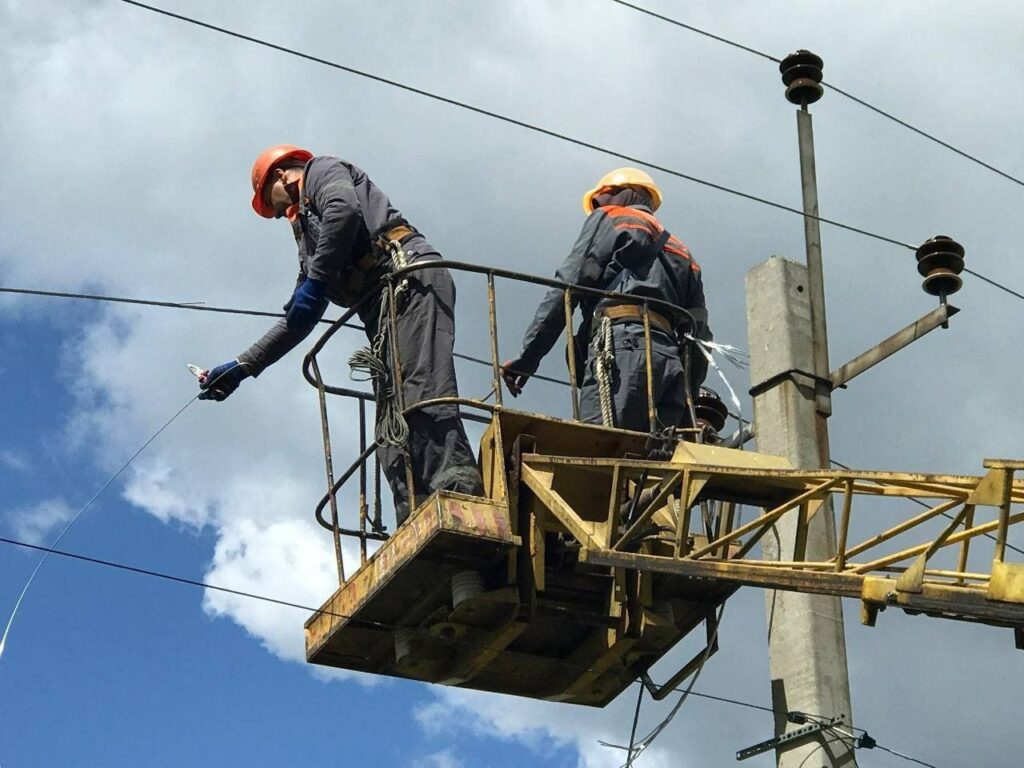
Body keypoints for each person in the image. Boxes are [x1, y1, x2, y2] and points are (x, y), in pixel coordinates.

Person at [198, 145, 482, 524]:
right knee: (390, 427)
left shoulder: (323, 171)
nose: (281, 214)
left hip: (411, 281)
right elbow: (298, 319)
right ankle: (414, 514)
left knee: (421, 390)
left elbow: (344, 211)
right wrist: (243, 365)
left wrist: (316, 282)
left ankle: (458, 492)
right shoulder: (310, 245)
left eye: (274, 203)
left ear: (282, 174)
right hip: (383, 309)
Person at [501, 167, 711, 433]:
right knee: (651, 466)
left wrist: (528, 358)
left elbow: (568, 285)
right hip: (670, 366)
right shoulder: (684, 252)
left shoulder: (612, 218)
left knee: (599, 447)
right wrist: (686, 398)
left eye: (599, 200)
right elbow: (701, 337)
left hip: (622, 350)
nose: (596, 208)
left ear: (622, 193)